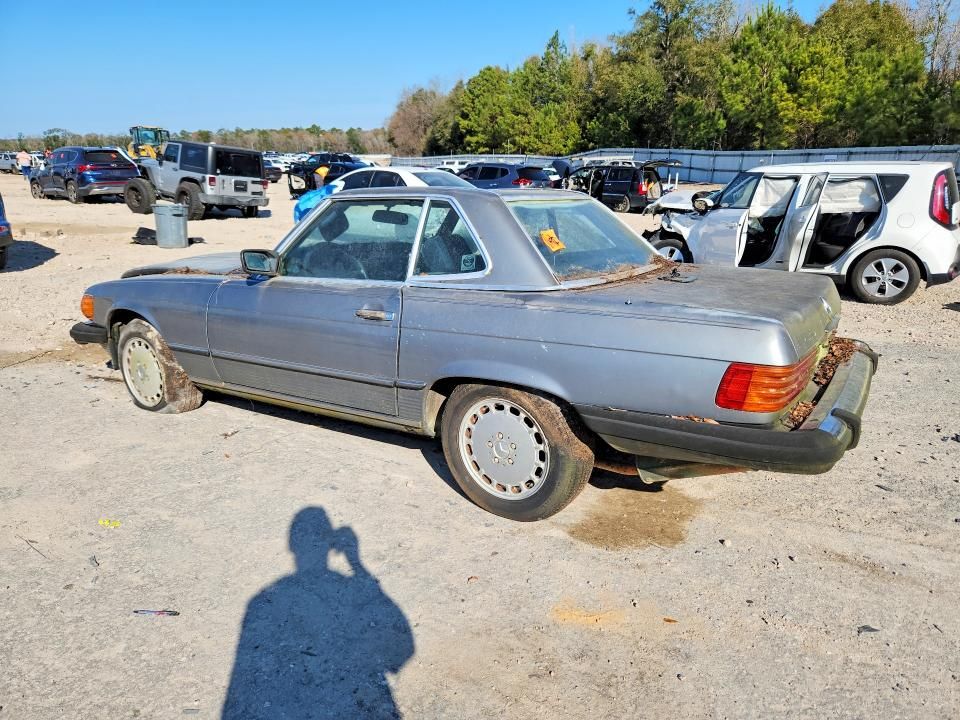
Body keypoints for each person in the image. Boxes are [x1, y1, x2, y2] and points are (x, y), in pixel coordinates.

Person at [222, 507, 414, 719]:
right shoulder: (341, 585)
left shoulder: (262, 600)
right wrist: (355, 562)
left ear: (291, 546)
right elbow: (404, 651)